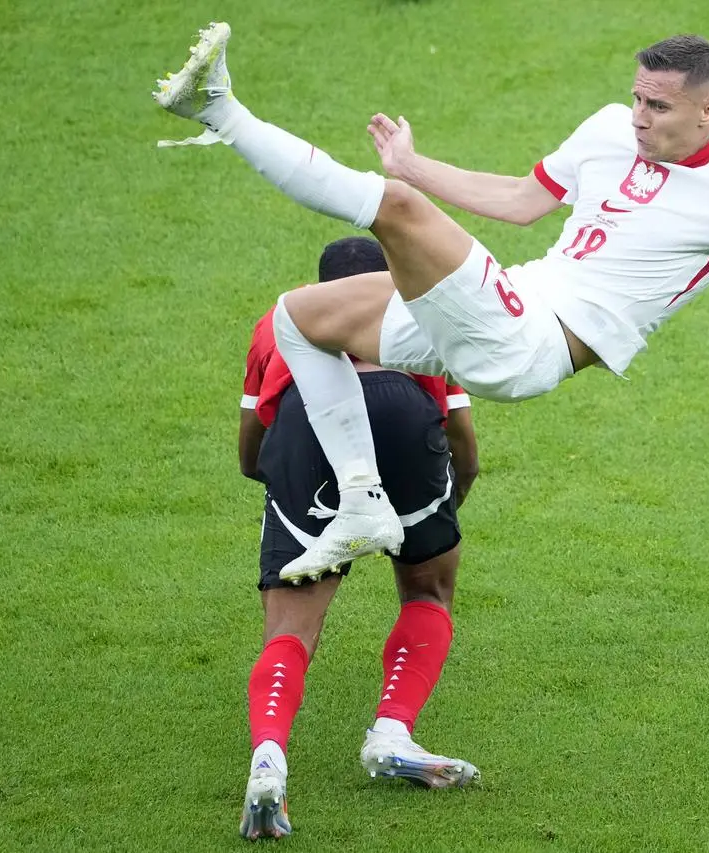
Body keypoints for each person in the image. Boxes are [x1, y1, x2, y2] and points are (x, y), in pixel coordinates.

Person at [154, 23, 709, 584]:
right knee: (298, 317)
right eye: (638, 96)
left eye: (659, 106)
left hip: (535, 341)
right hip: (516, 295)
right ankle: (356, 505)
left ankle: (219, 107)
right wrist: (417, 163)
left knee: (396, 216)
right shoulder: (609, 127)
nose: (639, 115)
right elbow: (522, 198)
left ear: (708, 110)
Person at [236, 236, 481, 841]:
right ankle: (391, 732)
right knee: (428, 595)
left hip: (305, 429)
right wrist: (431, 525)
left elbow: (251, 447)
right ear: (391, 274)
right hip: (406, 421)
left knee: (290, 629)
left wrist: (286, 484)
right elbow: (464, 447)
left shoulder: (282, 319)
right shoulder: (423, 311)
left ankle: (268, 760)